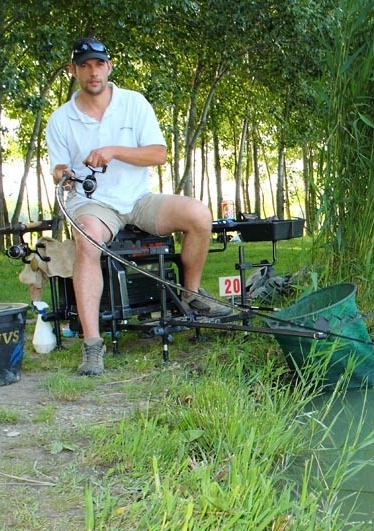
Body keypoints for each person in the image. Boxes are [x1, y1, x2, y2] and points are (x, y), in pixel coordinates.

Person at [46, 37, 231, 376]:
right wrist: (64, 173)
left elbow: (158, 154)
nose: (92, 72)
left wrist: (114, 150)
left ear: (109, 66)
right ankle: (91, 345)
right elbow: (58, 169)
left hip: (138, 199)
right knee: (87, 240)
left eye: (98, 64)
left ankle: (190, 295)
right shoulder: (60, 120)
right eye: (84, 65)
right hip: (93, 203)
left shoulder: (134, 103)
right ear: (73, 71)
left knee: (199, 214)